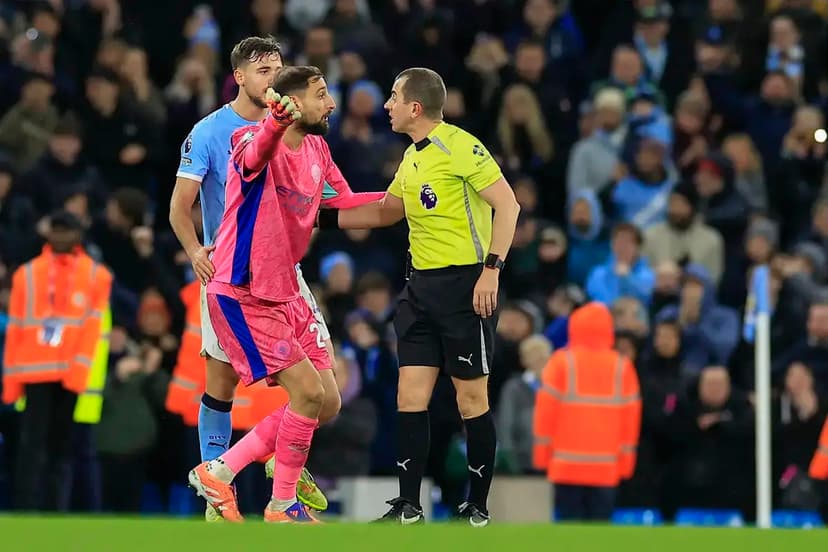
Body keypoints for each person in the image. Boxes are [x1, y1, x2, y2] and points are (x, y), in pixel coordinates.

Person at [188, 66, 384, 523]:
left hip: (286, 287)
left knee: (328, 401)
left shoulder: (317, 146)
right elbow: (254, 157)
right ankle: (282, 503)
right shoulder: (252, 138)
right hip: (245, 288)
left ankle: (222, 470)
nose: (330, 104)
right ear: (291, 103)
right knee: (307, 395)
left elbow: (343, 202)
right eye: (320, 95)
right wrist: (274, 122)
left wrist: (401, 201)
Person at [330, 67, 521, 526]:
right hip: (420, 289)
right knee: (408, 396)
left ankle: (477, 505)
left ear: (416, 107)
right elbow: (386, 212)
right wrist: (312, 219)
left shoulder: (461, 146)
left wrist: (491, 271)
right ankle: (409, 505)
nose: (387, 105)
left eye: (393, 97)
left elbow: (508, 205)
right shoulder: (412, 158)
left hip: (465, 286)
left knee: (470, 400)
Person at [168, 36, 329, 519]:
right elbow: (180, 205)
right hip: (232, 272)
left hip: (286, 273)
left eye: (277, 69)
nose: (272, 78)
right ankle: (216, 487)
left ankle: (282, 458)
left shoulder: (299, 126)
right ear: (238, 76)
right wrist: (196, 250)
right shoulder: (211, 131)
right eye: (262, 70)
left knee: (320, 387)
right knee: (221, 383)